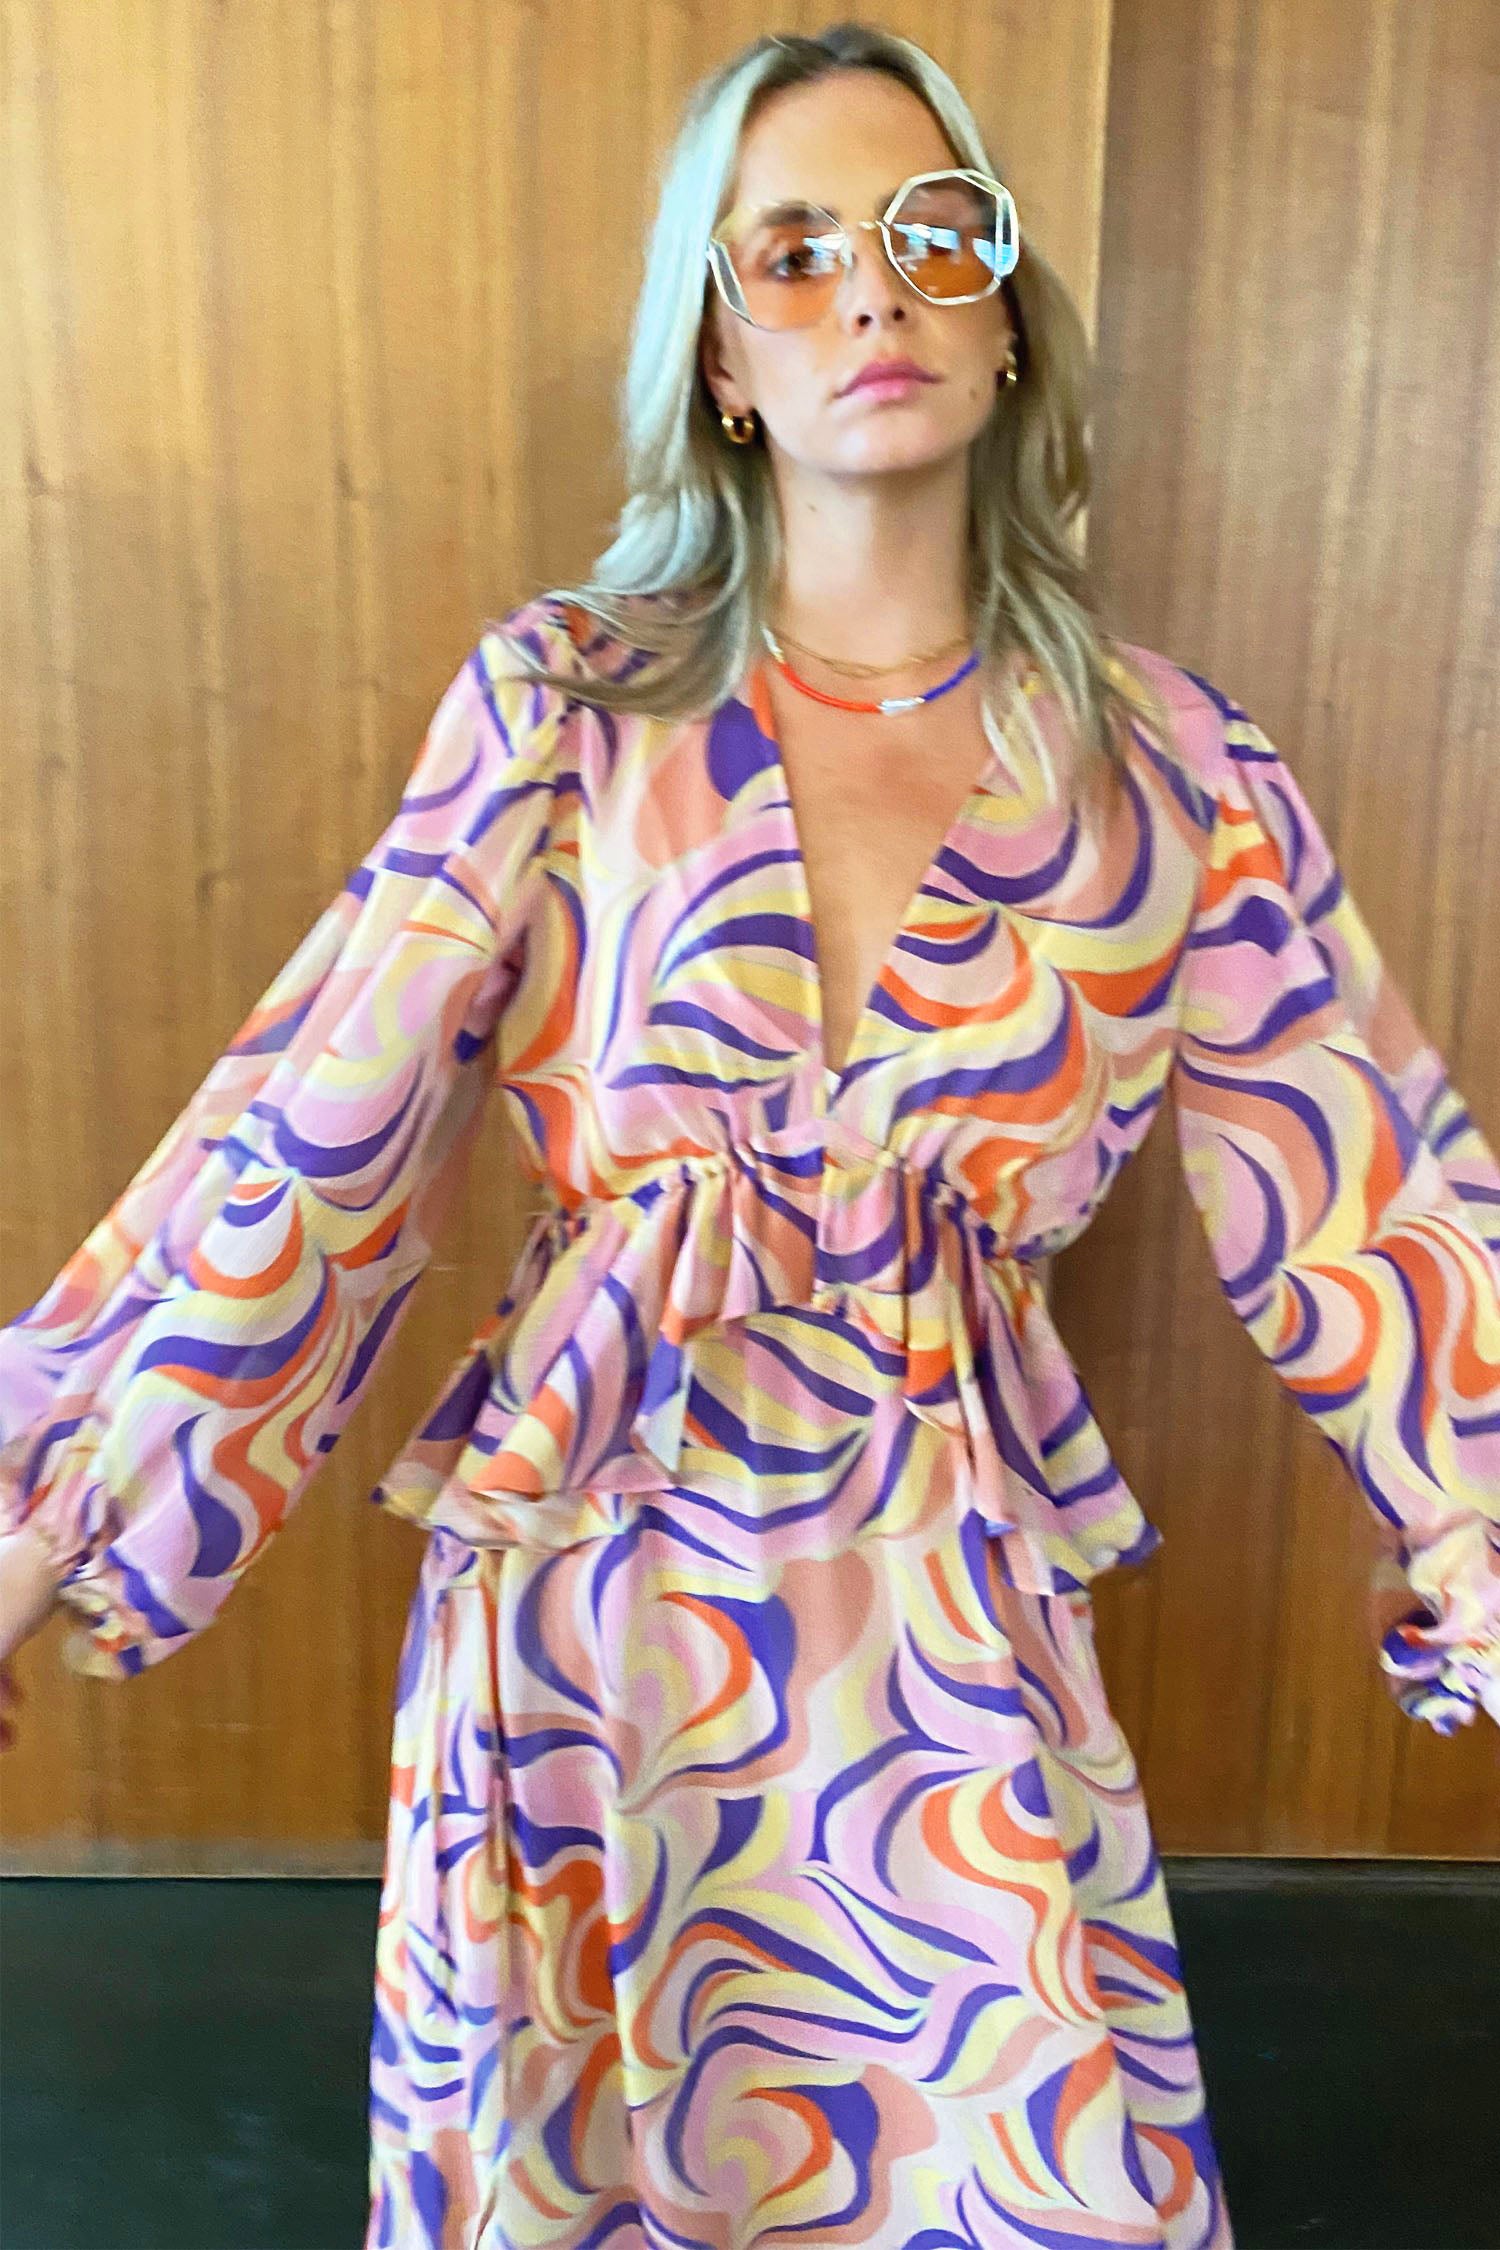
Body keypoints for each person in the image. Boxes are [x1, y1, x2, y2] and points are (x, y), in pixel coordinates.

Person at [2, 20, 1497, 2247]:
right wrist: (38, 1527)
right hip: (591, 1633)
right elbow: (310, 1139)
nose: (871, 292)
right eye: (791, 253)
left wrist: (1475, 1527)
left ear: (1005, 314)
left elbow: (1373, 1192)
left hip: (951, 1673)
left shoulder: (1180, 770)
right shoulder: (566, 706)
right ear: (719, 357)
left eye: (930, 236)